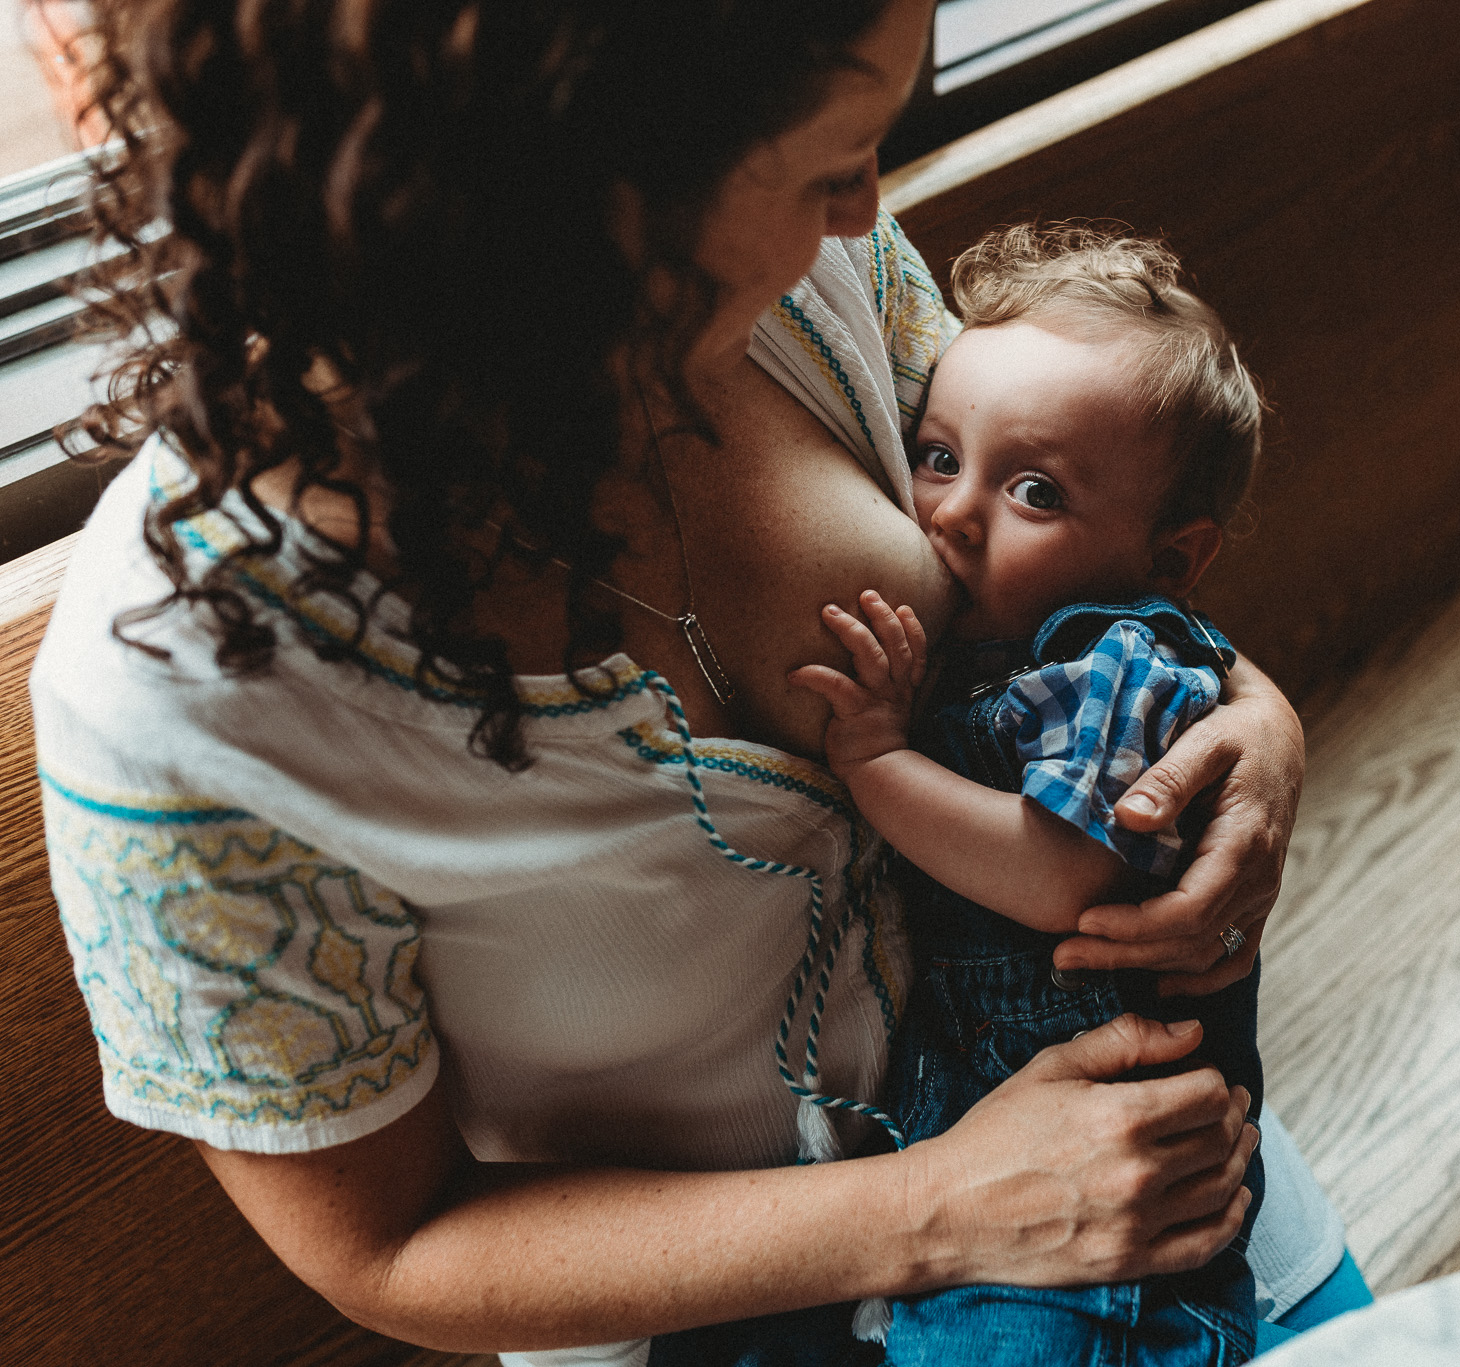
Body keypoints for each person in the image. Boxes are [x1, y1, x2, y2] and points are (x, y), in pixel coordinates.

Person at [31, 1, 1356, 1363]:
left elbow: (1067, 551)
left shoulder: (789, 290)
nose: (864, 215)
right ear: (567, 192)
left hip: (1174, 1197)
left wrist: (1256, 724)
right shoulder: (175, 700)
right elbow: (380, 1243)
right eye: (829, 164)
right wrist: (944, 1204)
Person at [792, 225, 1272, 1365]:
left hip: (1117, 1150)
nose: (951, 511)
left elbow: (1059, 872)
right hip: (984, 1111)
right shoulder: (1003, 642)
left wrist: (874, 762)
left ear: (1168, 561)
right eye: (938, 454)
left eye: (1034, 490)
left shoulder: (1117, 661)